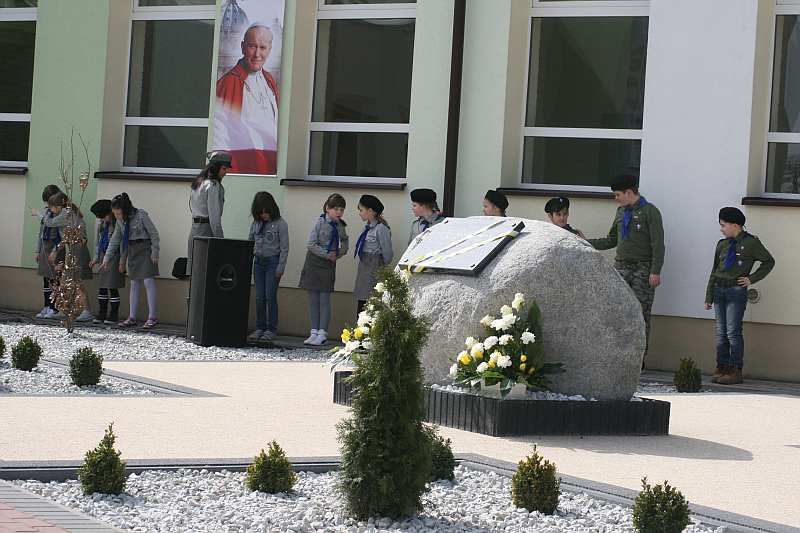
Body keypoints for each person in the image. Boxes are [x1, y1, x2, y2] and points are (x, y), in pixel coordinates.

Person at [586, 174, 665, 368]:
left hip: (642, 270)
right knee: (618, 311)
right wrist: (586, 243)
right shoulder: (621, 212)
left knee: (641, 313)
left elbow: (658, 244)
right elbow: (611, 240)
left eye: (618, 194)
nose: (616, 198)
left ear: (629, 192)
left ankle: (639, 360)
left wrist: (655, 271)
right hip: (621, 267)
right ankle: (620, 355)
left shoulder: (649, 212)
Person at [705, 207, 774, 385]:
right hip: (720, 290)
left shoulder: (750, 243)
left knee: (733, 332)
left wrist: (752, 279)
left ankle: (735, 370)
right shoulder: (723, 244)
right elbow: (714, 271)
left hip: (736, 291)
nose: (721, 229)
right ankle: (722, 367)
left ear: (735, 225)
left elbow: (768, 261)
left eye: (723, 225)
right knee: (721, 332)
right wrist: (709, 296)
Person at [215, 22, 279, 175]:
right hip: (244, 166)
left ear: (269, 51)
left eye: (262, 48)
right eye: (252, 46)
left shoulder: (270, 80)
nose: (257, 54)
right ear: (243, 47)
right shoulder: (228, 82)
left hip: (271, 165)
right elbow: (221, 134)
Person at [101, 193, 160, 329]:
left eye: (118, 214)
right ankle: (132, 317)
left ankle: (153, 316)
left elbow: (153, 233)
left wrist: (155, 251)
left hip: (145, 249)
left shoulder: (141, 215)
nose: (116, 217)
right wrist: (107, 258)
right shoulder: (121, 221)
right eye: (114, 214)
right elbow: (116, 239)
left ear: (126, 209)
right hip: (132, 250)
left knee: (148, 282)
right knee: (134, 284)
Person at [299, 193, 349, 346]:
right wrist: (328, 255)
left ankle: (323, 333)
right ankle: (313, 332)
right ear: (327, 208)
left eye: (341, 209)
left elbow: (345, 239)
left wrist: (343, 250)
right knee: (313, 299)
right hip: (314, 262)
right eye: (335, 209)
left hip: (328, 266)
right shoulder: (320, 223)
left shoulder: (340, 226)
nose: (339, 213)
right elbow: (311, 244)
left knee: (324, 300)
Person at [44, 192, 94, 322]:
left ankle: (87, 310)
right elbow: (66, 236)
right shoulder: (69, 213)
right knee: (70, 281)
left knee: (77, 282)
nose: (50, 210)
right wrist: (57, 248)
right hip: (73, 249)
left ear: (59, 208)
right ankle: (66, 310)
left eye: (52, 207)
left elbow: (49, 223)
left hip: (78, 249)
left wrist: (39, 214)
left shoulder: (66, 215)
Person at [248, 191, 289, 342]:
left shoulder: (280, 224)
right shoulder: (256, 223)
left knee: (270, 296)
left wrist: (281, 267)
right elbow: (250, 241)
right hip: (258, 262)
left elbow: (284, 247)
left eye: (266, 211)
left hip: (273, 262)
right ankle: (260, 327)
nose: (264, 215)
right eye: (261, 212)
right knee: (260, 297)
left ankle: (271, 329)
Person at [187, 150, 230, 275]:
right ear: (216, 167)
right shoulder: (212, 185)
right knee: (206, 270)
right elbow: (214, 216)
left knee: (194, 269)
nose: (225, 172)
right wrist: (220, 240)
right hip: (206, 229)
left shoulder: (199, 182)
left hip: (195, 228)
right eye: (224, 168)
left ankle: (192, 295)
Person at [353, 195, 393, 314]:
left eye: (361, 210)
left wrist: (380, 269)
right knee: (362, 305)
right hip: (364, 270)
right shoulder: (366, 229)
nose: (359, 213)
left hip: (374, 270)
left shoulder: (381, 229)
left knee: (372, 305)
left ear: (370, 211)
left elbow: (387, 254)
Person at [89, 199, 126, 325]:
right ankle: (102, 312)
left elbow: (122, 244)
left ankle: (114, 314)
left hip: (114, 258)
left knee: (112, 286)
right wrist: (96, 258)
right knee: (102, 287)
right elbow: (98, 242)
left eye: (104, 216)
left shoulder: (118, 224)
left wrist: (122, 262)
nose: (103, 219)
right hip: (103, 257)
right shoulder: (102, 225)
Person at [30, 185, 64, 319]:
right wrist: (37, 250)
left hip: (55, 247)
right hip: (45, 246)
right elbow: (41, 232)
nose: (49, 206)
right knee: (46, 278)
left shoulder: (61, 214)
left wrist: (56, 249)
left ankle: (55, 307)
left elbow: (61, 234)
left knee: (54, 278)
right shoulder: (46, 212)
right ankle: (47, 306)